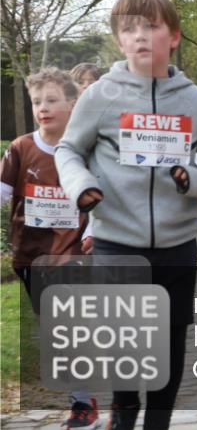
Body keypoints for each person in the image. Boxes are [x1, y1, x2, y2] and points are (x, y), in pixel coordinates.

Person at [55, 0, 197, 430]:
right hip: (117, 240)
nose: (139, 37)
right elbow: (68, 151)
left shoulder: (196, 101)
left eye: (151, 27)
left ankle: (158, 424)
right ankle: (123, 415)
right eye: (128, 29)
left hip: (176, 244)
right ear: (118, 40)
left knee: (168, 346)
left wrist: (192, 181)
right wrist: (82, 187)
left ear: (173, 36)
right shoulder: (99, 96)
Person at [2, 68, 100, 429]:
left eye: (52, 101)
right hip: (29, 255)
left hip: (71, 253)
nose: (43, 108)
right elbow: (2, 195)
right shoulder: (21, 149)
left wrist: (97, 233)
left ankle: (82, 402)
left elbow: (104, 196)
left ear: (73, 105)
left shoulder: (86, 151)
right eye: (37, 102)